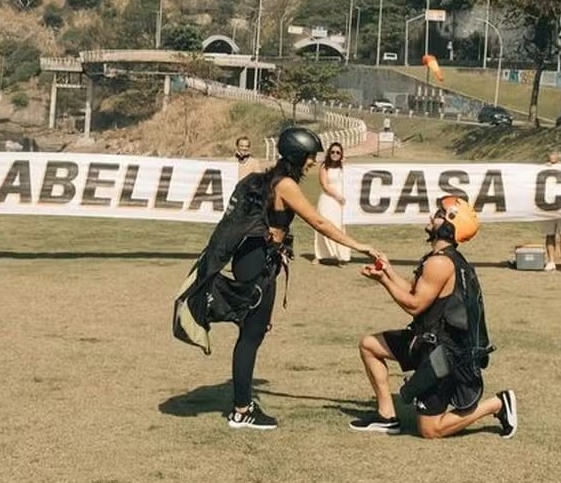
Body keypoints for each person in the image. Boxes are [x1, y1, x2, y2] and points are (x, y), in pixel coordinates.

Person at [180, 126, 384, 431]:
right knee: (251, 335)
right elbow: (316, 220)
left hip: (253, 259)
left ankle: (243, 402)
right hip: (257, 262)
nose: (314, 162)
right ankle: (241, 410)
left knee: (254, 331)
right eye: (311, 157)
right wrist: (358, 245)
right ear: (298, 156)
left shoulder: (270, 177)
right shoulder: (286, 184)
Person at [352, 196, 517, 439]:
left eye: (439, 214)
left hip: (441, 355)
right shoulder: (440, 259)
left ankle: (498, 404)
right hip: (424, 341)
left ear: (449, 226)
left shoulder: (441, 263)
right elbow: (415, 290)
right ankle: (387, 417)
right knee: (369, 345)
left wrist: (383, 281)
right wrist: (387, 270)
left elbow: (414, 305)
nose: (433, 216)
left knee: (430, 430)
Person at [313, 142, 351, 266]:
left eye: (338, 152)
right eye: (333, 152)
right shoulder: (324, 166)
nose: (335, 154)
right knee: (323, 226)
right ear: (329, 153)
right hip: (328, 200)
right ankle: (319, 255)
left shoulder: (343, 167)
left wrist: (347, 165)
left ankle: (341, 256)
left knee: (339, 227)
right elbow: (324, 185)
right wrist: (337, 196)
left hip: (341, 202)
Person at [541, 149, 561, 273]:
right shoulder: (543, 168)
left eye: (553, 154)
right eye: (549, 154)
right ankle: (551, 261)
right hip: (548, 206)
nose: (551, 156)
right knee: (550, 234)